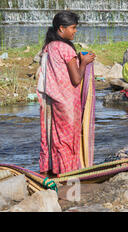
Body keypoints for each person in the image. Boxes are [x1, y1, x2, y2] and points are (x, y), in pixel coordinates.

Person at [37, 11, 96, 176]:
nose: (75, 31)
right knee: (68, 140)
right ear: (61, 28)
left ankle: (55, 170)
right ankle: (68, 173)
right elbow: (77, 79)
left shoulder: (49, 46)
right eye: (73, 28)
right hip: (68, 101)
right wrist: (83, 62)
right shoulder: (65, 48)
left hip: (53, 99)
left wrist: (76, 59)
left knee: (55, 137)